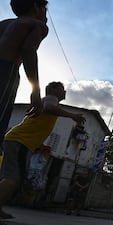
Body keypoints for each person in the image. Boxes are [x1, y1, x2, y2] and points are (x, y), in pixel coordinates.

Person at [0, 81, 85, 219]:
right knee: (13, 179)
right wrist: (72, 116)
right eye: (63, 89)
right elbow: (48, 107)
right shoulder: (52, 99)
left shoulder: (49, 100)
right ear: (54, 89)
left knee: (12, 178)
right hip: (20, 141)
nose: (65, 92)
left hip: (19, 140)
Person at [0, 0, 49, 146]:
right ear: (36, 6)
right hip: (5, 71)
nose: (46, 14)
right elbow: (28, 50)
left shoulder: (3, 23)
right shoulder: (37, 25)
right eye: (45, 9)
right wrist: (36, 92)